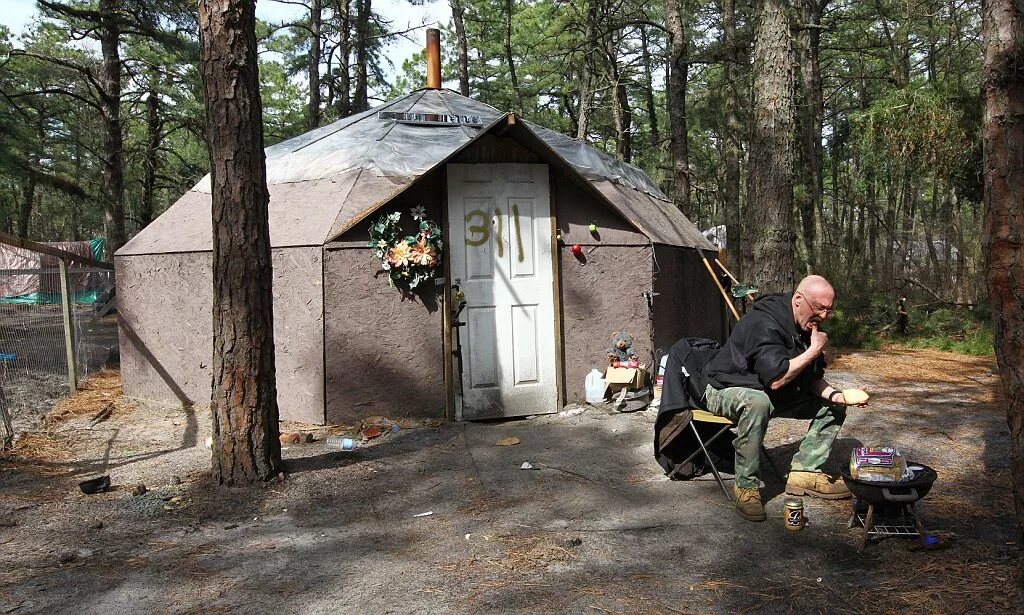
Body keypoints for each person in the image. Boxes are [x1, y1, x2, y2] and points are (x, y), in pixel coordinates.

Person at [703, 275, 868, 522]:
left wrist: (838, 396)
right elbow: (776, 379)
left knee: (833, 405)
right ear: (799, 300)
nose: (823, 317)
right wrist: (813, 351)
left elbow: (812, 379)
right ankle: (746, 488)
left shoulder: (806, 325)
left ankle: (805, 472)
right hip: (724, 388)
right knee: (756, 402)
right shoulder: (763, 322)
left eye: (828, 311)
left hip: (768, 392)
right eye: (819, 309)